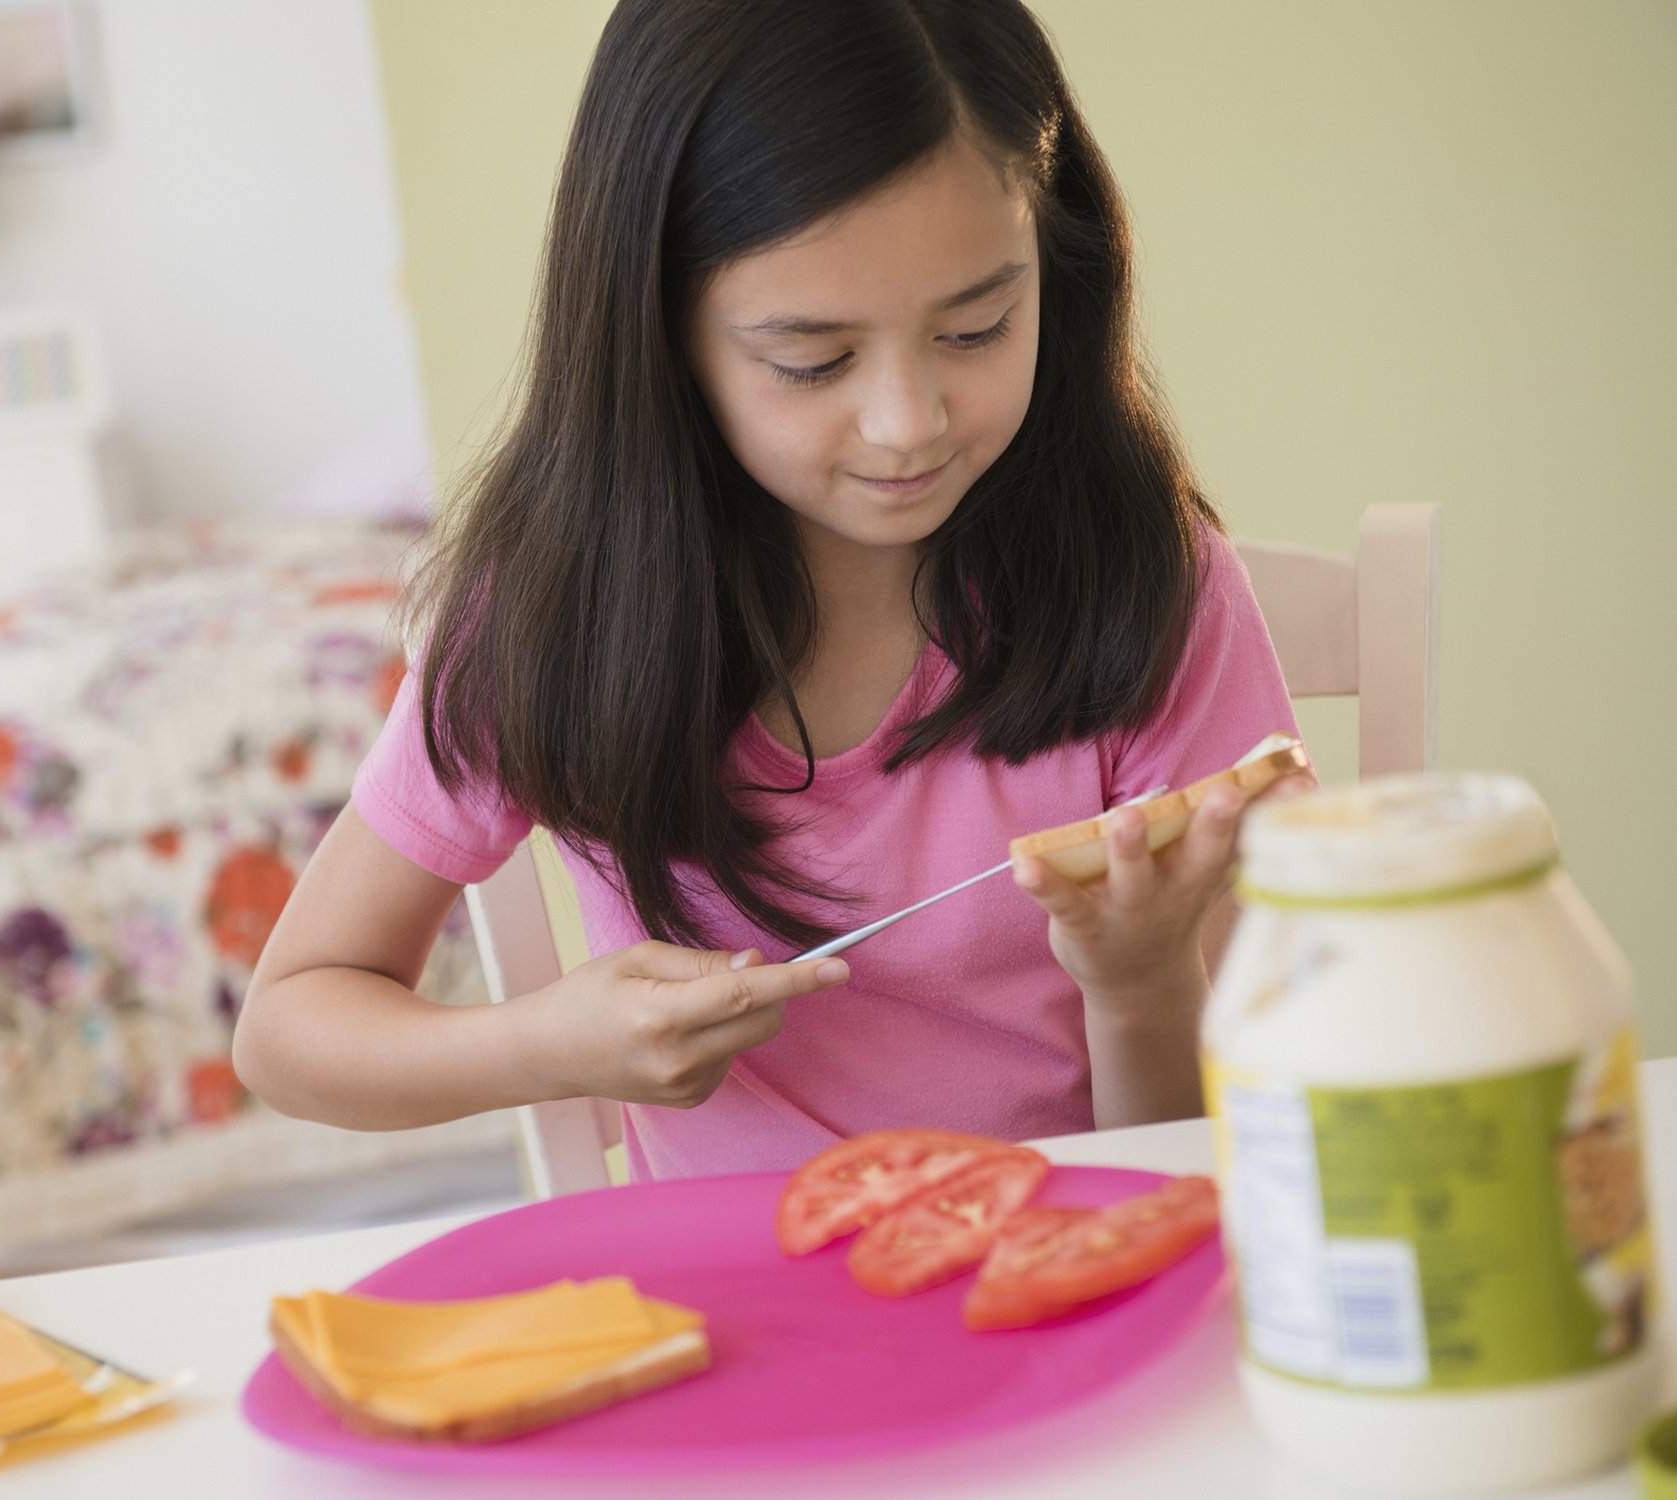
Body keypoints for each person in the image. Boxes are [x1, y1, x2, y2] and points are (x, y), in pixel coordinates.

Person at [234, 0, 1307, 1180]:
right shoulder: (562, 612)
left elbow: (1224, 1167)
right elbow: (289, 1029)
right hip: (732, 1315)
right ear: (661, 333)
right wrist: (550, 1046)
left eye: (978, 327)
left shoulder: (1146, 590)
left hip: (1074, 1282)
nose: (908, 425)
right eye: (813, 360)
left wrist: (1141, 984)